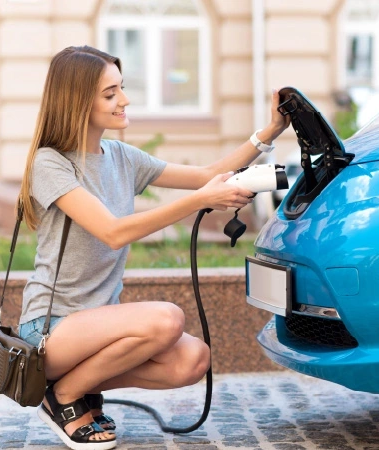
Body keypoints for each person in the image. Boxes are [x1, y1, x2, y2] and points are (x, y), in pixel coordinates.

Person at [16, 45, 290, 450]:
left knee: (193, 359)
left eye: (121, 89)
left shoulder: (121, 157)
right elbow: (112, 231)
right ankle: (66, 397)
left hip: (100, 330)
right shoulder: (51, 163)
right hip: (49, 331)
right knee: (166, 320)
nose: (123, 100)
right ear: (77, 101)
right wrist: (199, 201)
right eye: (110, 94)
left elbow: (207, 175)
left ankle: (74, 386)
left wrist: (269, 133)